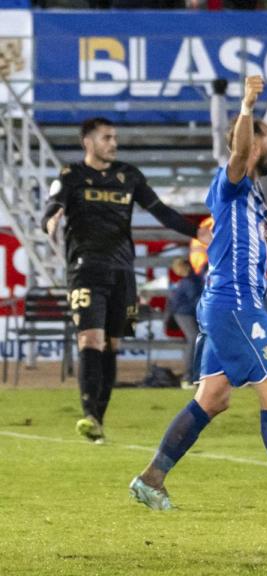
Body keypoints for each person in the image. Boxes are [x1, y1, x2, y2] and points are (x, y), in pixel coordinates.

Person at [129, 76, 267, 512]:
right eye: (266, 146)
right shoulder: (229, 183)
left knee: (213, 397)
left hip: (225, 305)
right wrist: (247, 106)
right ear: (250, 149)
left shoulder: (248, 188)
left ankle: (151, 479)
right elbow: (246, 149)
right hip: (237, 307)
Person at [43, 117, 211, 444]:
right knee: (90, 340)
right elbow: (52, 206)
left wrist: (196, 232)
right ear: (88, 142)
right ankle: (89, 415)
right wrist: (51, 220)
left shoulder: (130, 176)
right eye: (107, 137)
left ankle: (99, 421)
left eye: (115, 137)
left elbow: (162, 211)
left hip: (123, 272)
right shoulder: (71, 175)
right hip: (85, 269)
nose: (113, 143)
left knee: (113, 345)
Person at [168, 257, 203, 387]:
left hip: (186, 312)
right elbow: (194, 299)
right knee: (194, 339)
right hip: (184, 313)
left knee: (197, 340)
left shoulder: (189, 281)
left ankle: (194, 375)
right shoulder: (191, 281)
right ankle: (188, 376)